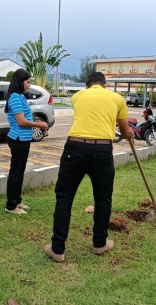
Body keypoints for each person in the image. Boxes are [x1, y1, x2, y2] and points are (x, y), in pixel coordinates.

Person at [44, 72, 133, 262]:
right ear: (105, 85)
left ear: (86, 86)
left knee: (64, 197)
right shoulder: (118, 98)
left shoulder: (77, 96)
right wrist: (130, 133)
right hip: (102, 150)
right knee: (103, 198)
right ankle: (100, 244)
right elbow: (125, 132)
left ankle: (57, 249)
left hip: (74, 147)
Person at [4, 68, 48, 214]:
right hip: (18, 139)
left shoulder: (19, 96)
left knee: (20, 171)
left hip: (23, 138)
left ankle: (17, 200)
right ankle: (11, 206)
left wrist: (35, 121)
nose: (29, 85)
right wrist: (39, 124)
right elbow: (21, 121)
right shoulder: (15, 97)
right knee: (16, 172)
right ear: (20, 82)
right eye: (28, 82)